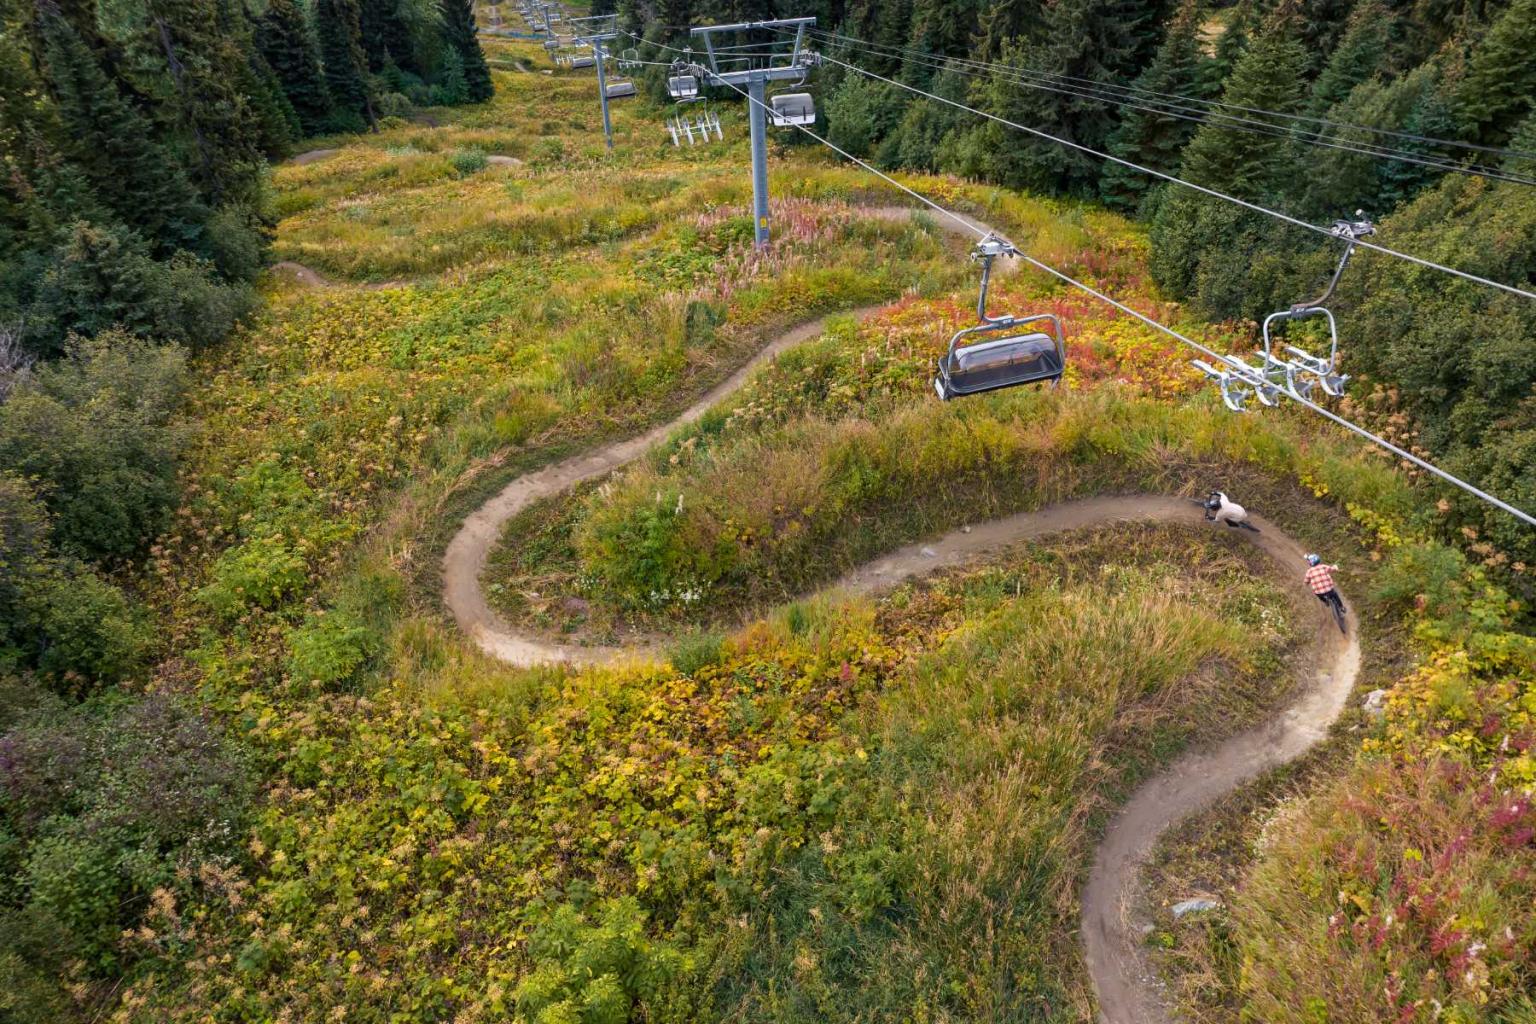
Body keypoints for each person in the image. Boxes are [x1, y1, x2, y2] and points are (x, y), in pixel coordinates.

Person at [1304, 553, 1345, 620]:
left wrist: (1307, 583)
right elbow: (1332, 569)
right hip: (1329, 589)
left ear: (1310, 563)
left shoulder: (1309, 572)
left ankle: (1325, 601)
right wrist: (1335, 567)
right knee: (1335, 595)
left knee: (1318, 594)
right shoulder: (1323, 567)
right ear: (1318, 561)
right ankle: (1341, 607)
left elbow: (1306, 581)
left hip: (1319, 592)